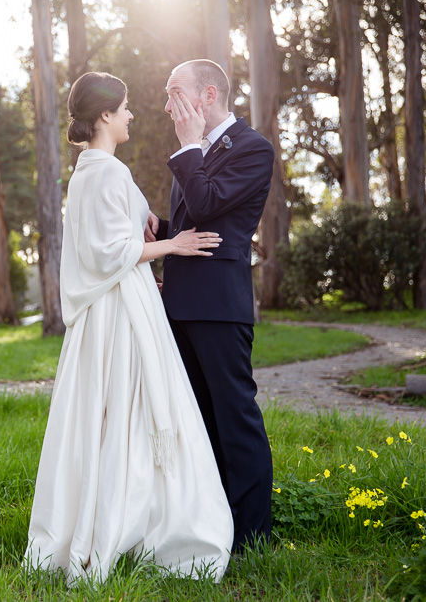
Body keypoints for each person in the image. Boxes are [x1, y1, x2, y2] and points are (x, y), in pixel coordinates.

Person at [24, 71, 234, 586]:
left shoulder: (95, 170)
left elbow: (117, 235)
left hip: (124, 299)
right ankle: (138, 525)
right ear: (103, 117)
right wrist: (174, 245)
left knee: (119, 411)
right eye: (124, 109)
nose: (132, 115)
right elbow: (106, 253)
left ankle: (124, 512)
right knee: (127, 407)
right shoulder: (104, 172)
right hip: (119, 311)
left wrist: (153, 232)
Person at [145, 59, 275, 553]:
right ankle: (212, 525)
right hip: (180, 304)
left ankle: (253, 537)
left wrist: (187, 146)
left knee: (235, 418)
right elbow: (190, 224)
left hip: (220, 307)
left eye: (175, 90)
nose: (166, 103)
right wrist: (158, 232)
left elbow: (206, 204)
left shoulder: (252, 148)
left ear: (208, 94)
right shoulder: (193, 151)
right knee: (197, 420)